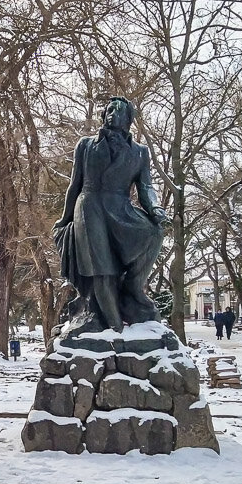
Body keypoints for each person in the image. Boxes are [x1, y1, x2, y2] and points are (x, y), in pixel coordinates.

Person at [53, 97, 166, 331]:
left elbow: (146, 187)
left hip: (120, 208)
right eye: (109, 110)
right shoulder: (85, 145)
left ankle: (133, 288)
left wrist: (154, 207)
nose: (111, 113)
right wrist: (64, 219)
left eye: (118, 110)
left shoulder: (140, 152)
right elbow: (74, 185)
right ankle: (115, 328)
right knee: (102, 270)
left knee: (154, 233)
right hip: (89, 206)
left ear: (128, 119)